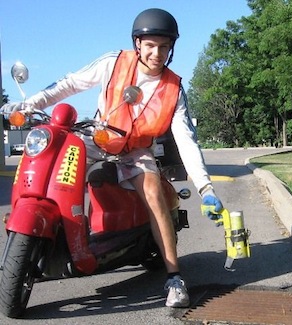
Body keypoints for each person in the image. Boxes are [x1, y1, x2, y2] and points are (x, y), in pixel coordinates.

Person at [1, 8, 223, 308]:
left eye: (164, 46)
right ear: (138, 44)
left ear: (171, 48)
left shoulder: (174, 89)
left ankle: (174, 277)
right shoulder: (113, 63)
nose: (156, 53)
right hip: (97, 137)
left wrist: (205, 188)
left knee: (154, 196)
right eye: (150, 45)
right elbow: (70, 83)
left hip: (136, 151)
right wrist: (30, 104)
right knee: (57, 164)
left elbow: (186, 139)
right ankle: (58, 240)